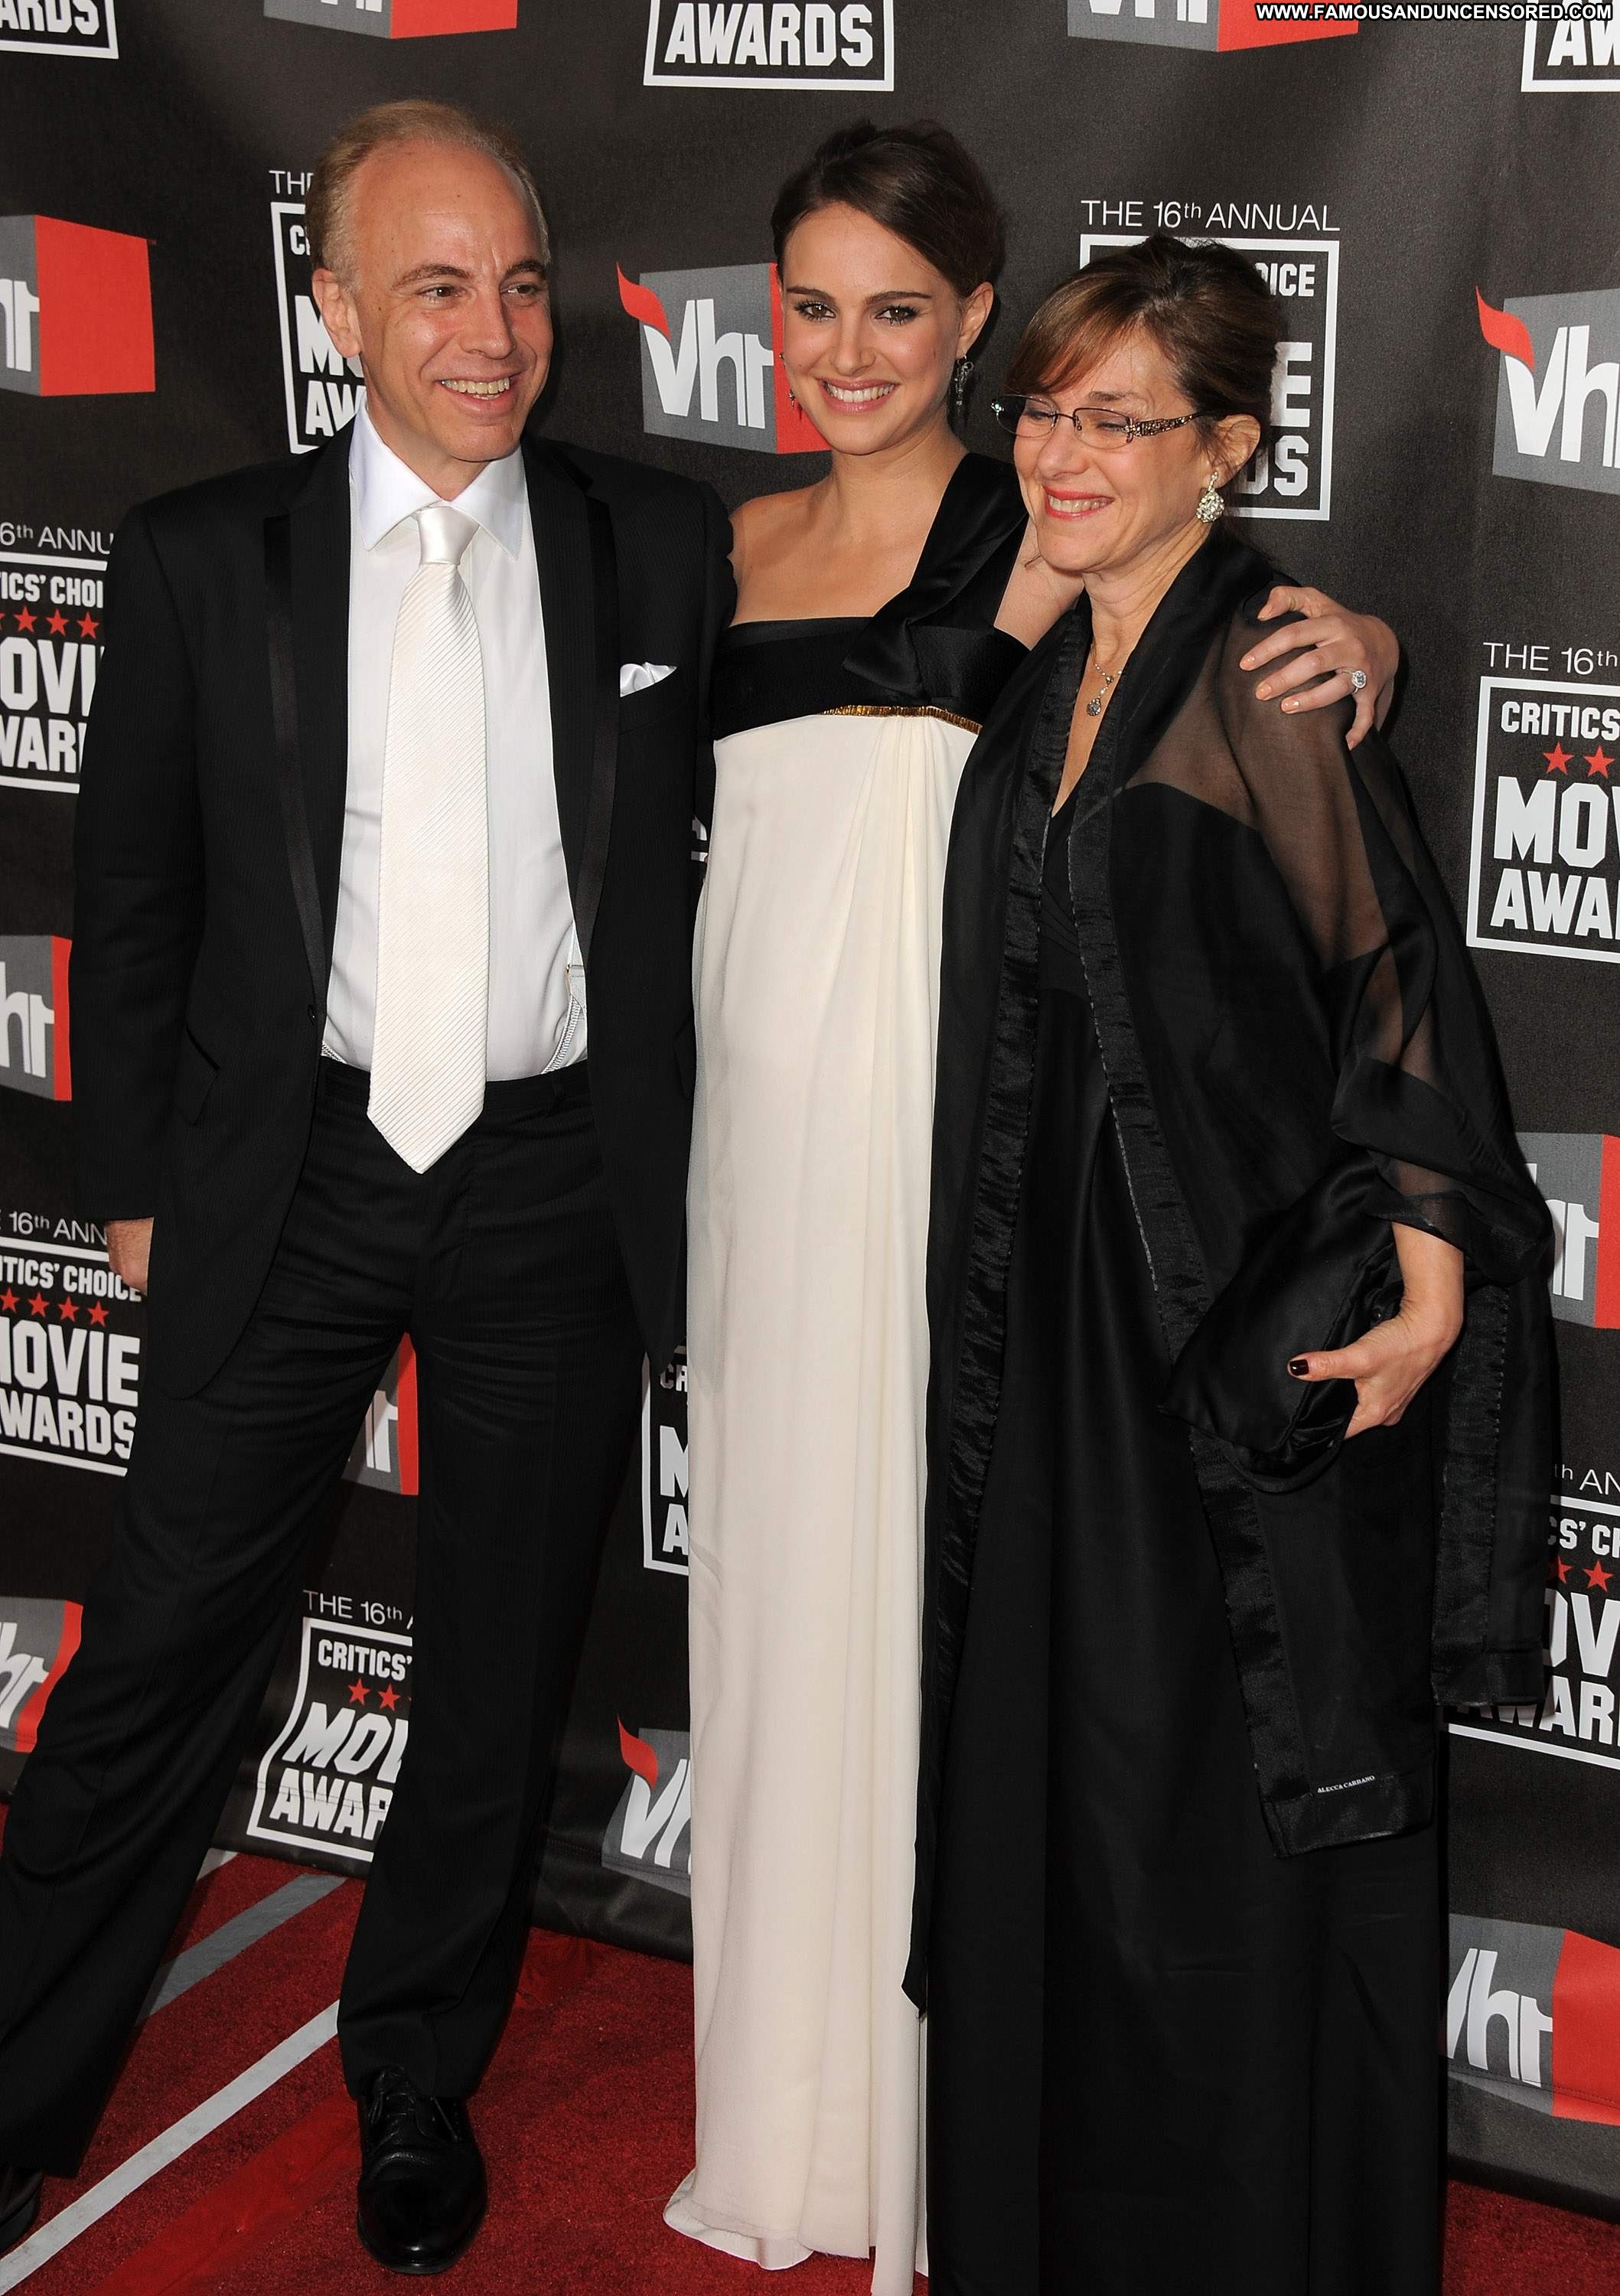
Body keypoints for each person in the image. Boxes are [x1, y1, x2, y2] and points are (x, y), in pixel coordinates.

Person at [0, 99, 730, 2275]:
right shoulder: (197, 554)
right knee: (156, 1653)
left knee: (497, 1673)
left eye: (518, 283)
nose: (492, 332)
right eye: (433, 286)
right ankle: (15, 2085)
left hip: (552, 1178)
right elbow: (129, 894)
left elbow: (919, 620)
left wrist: (1313, 631)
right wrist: (138, 1184)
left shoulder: (656, 544)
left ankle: (416, 2075)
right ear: (332, 307)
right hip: (290, 1166)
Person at [671, 126, 1400, 2294]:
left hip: (974, 1170)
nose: (849, 351)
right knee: (792, 1605)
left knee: (956, 1628)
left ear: (973, 321)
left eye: (900, 308)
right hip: (765, 1170)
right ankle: (793, 2117)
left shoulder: (1045, 514)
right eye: (812, 305)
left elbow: (1233, 636)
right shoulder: (707, 540)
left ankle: (950, 2137)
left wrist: (1370, 629)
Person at [909, 232, 1555, 2296]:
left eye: (1123, 419)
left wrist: (1435, 1273)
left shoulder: (1268, 672)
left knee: (1195, 1787)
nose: (1065, 451)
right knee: (1055, 1783)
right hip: (1035, 1310)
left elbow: (1396, 970)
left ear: (1229, 447)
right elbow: (906, 663)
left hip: (1199, 1325)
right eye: (1046, 408)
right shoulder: (1050, 642)